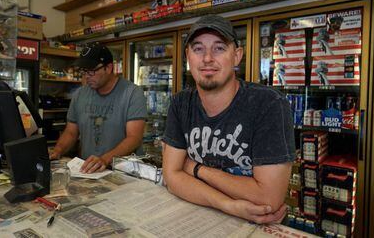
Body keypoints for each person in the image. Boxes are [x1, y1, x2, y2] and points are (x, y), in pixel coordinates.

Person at [162, 15, 295, 224]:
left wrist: (195, 168)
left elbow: (269, 198)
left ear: (237, 56)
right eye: (198, 49)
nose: (207, 58)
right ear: (188, 56)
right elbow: (172, 177)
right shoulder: (180, 103)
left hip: (257, 226)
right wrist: (227, 205)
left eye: (219, 48)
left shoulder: (268, 104)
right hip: (201, 217)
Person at [50, 44, 147, 173]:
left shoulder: (132, 94)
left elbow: (134, 138)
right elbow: (71, 132)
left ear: (108, 68)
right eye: (84, 71)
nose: (86, 76)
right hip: (89, 172)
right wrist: (57, 150)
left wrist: (104, 160)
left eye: (91, 71)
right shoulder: (79, 95)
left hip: (124, 173)